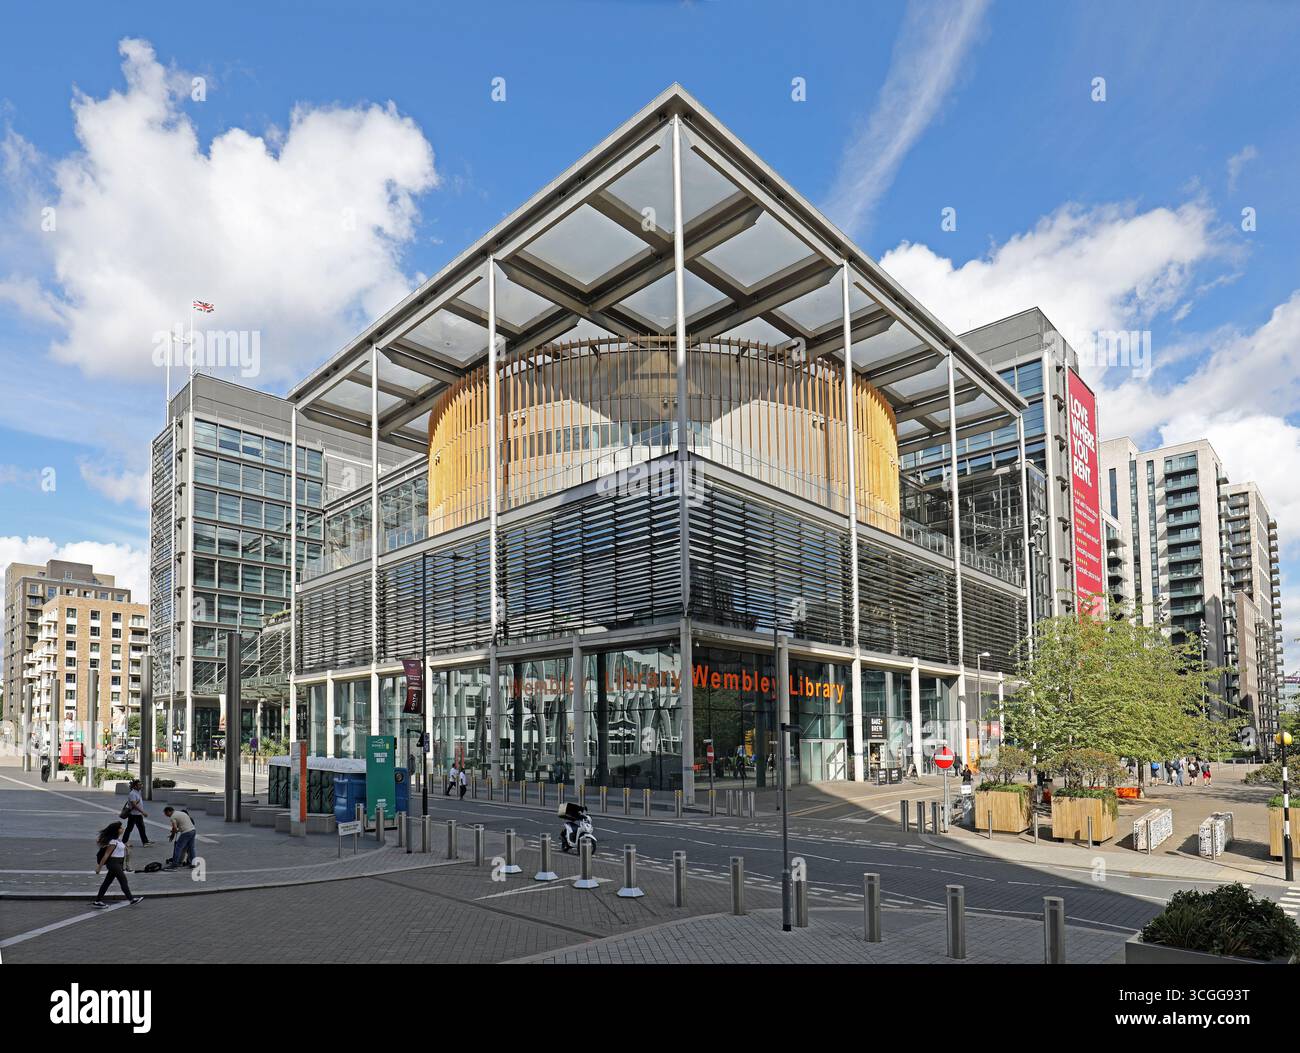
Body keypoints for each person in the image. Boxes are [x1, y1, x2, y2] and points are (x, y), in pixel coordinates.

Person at [93, 821, 143, 907]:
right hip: (113, 863)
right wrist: (99, 867)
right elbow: (106, 855)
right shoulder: (113, 842)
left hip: (119, 863)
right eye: (120, 828)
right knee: (123, 880)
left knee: (107, 882)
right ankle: (131, 899)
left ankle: (98, 901)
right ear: (116, 830)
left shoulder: (118, 840)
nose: (122, 829)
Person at [121, 779, 150, 846]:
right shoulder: (132, 794)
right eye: (139, 785)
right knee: (130, 829)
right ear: (134, 786)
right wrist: (143, 812)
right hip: (133, 815)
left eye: (141, 784)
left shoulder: (137, 792)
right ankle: (124, 842)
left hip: (137, 814)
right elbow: (134, 805)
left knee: (141, 828)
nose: (141, 786)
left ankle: (145, 842)